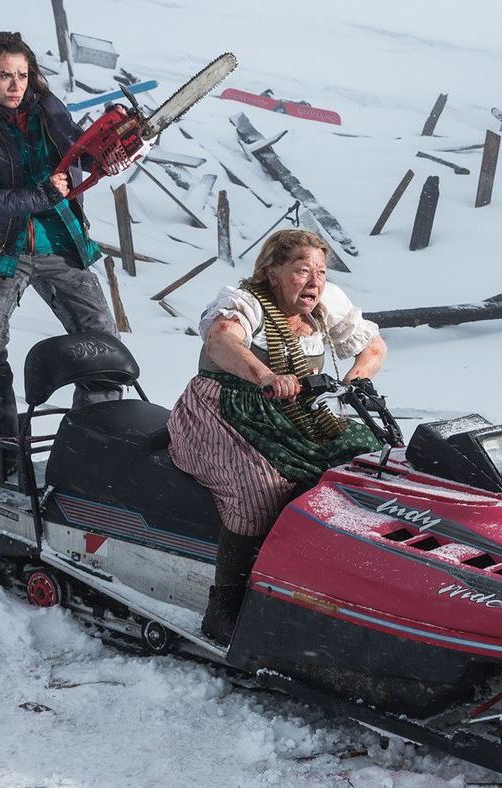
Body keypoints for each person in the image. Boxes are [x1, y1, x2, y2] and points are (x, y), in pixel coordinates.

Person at [167, 228, 388, 643]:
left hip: (297, 417)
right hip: (223, 410)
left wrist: (355, 380)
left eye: (320, 271)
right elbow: (220, 340)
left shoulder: (327, 306)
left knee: (367, 458)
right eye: (301, 270)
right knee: (261, 488)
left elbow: (374, 348)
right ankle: (225, 607)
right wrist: (265, 374)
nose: (314, 281)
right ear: (272, 272)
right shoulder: (245, 302)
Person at [0, 31, 119, 478]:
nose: (15, 84)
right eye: (4, 75)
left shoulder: (46, 107)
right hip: (1, 249)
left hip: (60, 241)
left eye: (22, 74)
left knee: (102, 345)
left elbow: (79, 153)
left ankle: (92, 446)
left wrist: (113, 152)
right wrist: (39, 194)